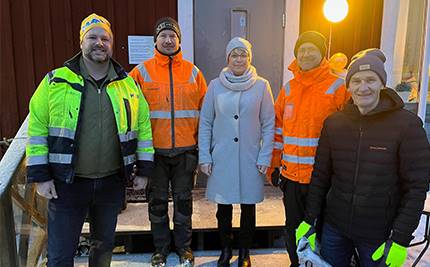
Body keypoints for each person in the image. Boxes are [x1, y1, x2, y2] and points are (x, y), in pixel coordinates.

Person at [26, 13, 154, 267]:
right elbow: (37, 128)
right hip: (67, 183)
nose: (99, 43)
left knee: (104, 247)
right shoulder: (55, 81)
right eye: (92, 37)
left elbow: (143, 128)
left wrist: (144, 169)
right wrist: (40, 175)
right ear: (81, 42)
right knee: (61, 254)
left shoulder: (127, 84)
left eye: (105, 38)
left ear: (111, 43)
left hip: (110, 182)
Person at [296, 48, 430, 267]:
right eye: (356, 81)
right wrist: (310, 220)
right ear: (348, 86)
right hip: (335, 229)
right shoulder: (334, 123)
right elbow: (321, 176)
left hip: (379, 234)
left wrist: (400, 239)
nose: (363, 87)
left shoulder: (407, 126)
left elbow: (416, 187)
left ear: (382, 84)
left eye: (371, 80)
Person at [267, 31, 350, 267]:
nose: (305, 53)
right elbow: (278, 131)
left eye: (311, 48)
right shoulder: (288, 89)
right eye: (301, 49)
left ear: (322, 53)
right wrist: (274, 165)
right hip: (291, 177)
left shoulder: (339, 87)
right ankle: (297, 263)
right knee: (293, 226)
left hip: (325, 179)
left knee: (324, 230)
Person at [129, 17, 207, 267]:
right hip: (155, 154)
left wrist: (203, 150)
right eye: (163, 35)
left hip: (185, 152)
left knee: (184, 204)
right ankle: (160, 250)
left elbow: (205, 114)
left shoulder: (194, 72)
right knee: (158, 204)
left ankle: (184, 249)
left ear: (179, 39)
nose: (168, 39)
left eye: (172, 35)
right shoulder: (140, 73)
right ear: (155, 40)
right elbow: (128, 113)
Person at [198, 37, 275, 267]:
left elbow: (269, 123)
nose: (239, 59)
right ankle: (225, 249)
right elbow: (205, 122)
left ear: (250, 58)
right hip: (222, 157)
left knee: (248, 207)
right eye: (234, 54)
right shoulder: (215, 85)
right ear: (227, 58)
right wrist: (205, 155)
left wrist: (265, 156)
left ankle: (244, 252)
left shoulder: (262, 85)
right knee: (223, 208)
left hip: (250, 157)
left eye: (244, 54)